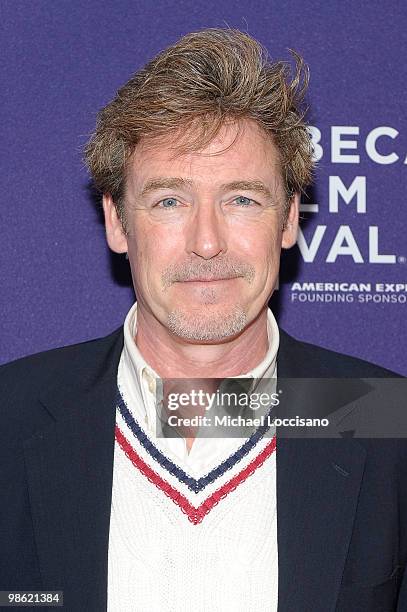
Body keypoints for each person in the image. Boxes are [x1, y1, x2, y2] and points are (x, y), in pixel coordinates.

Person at [0, 28, 406, 612]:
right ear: (117, 222)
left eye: (242, 199)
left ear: (289, 219)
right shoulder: (10, 418)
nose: (207, 243)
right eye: (170, 201)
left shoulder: (384, 419)